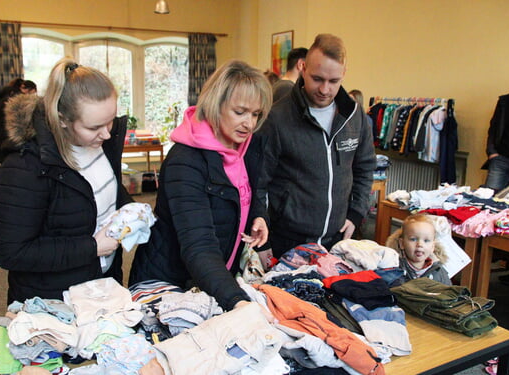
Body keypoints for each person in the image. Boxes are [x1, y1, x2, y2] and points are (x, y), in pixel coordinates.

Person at [129, 60, 272, 312]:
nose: (249, 124)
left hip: (211, 277)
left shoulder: (245, 146)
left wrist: (258, 214)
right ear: (216, 105)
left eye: (255, 114)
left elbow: (247, 189)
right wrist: (235, 299)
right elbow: (199, 245)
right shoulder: (185, 161)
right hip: (173, 281)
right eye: (240, 112)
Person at [0, 58, 132, 304]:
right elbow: (11, 253)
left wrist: (128, 206)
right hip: (52, 300)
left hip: (102, 284)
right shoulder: (23, 168)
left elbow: (99, 194)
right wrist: (92, 248)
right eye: (95, 126)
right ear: (62, 119)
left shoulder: (103, 143)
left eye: (110, 120)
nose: (107, 133)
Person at [257, 33, 376, 258]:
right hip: (287, 241)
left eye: (333, 81)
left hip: (337, 240)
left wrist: (356, 213)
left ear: (343, 74)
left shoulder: (354, 114)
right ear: (303, 67)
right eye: (317, 79)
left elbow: (365, 167)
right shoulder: (277, 118)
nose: (324, 89)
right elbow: (257, 183)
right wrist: (263, 244)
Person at [386, 214, 451, 285]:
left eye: (426, 241)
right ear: (402, 244)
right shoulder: (393, 268)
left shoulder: (439, 271)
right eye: (413, 239)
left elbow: (449, 293)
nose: (420, 244)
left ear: (433, 246)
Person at [0, 78, 37, 165]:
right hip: (5, 140)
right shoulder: (16, 101)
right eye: (33, 93)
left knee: (3, 169)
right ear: (28, 90)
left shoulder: (4, 98)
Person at [482, 90, 509, 193]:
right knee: (488, 197)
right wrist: (492, 152)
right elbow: (493, 128)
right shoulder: (505, 101)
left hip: (500, 159)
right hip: (501, 159)